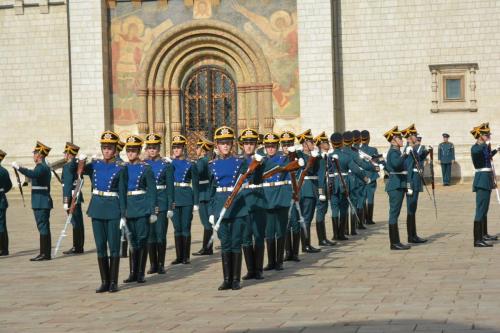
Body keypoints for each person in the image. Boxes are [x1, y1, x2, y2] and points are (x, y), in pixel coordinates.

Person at [209, 126, 257, 290]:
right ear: (217, 145)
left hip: (237, 205)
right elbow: (210, 190)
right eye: (222, 143)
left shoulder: (240, 162)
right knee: (225, 242)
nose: (225, 146)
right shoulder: (212, 164)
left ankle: (236, 279)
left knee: (236, 242)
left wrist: (255, 167)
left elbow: (251, 177)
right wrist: (211, 212)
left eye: (228, 143)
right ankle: (226, 279)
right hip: (220, 206)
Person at [80, 130, 127, 292]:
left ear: (115, 149)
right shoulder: (95, 165)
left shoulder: (121, 168)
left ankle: (113, 282)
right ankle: (104, 281)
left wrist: (123, 214)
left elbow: (122, 192)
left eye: (109, 148)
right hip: (97, 207)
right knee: (100, 245)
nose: (106, 151)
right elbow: (76, 171)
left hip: (113, 207)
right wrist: (79, 160)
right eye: (104, 148)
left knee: (113, 246)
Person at [122, 135, 157, 284]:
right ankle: (132, 273)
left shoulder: (145, 168)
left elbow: (152, 190)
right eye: (128, 150)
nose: (130, 153)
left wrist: (152, 210)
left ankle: (141, 273)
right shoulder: (122, 167)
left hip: (142, 206)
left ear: (138, 151)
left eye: (133, 150)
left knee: (142, 240)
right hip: (128, 207)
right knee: (131, 240)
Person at [12, 142, 54, 261]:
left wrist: (19, 168)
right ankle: (45, 253)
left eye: (35, 153)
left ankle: (44, 254)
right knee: (43, 227)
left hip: (41, 201)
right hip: (41, 200)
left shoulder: (41, 167)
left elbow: (33, 174)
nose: (33, 156)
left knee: (43, 227)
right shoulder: (42, 167)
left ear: (40, 155)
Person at [261, 132, 292, 273]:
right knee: (269, 232)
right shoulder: (261, 161)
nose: (271, 149)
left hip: (280, 198)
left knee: (280, 231)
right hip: (267, 199)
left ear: (277, 146)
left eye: (273, 146)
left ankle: (279, 261)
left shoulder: (284, 159)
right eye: (268, 146)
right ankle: (271, 261)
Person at [327, 133, 368, 241]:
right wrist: (364, 177)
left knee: (334, 209)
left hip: (332, 183)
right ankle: (341, 233)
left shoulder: (328, 156)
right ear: (341, 143)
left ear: (332, 143)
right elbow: (356, 170)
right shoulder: (346, 156)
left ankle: (335, 234)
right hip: (344, 183)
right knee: (344, 208)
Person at [238, 128, 267, 278]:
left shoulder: (262, 160)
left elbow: (257, 179)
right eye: (246, 143)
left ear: (256, 145)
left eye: (251, 143)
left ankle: (259, 270)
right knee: (246, 236)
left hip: (258, 200)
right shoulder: (238, 161)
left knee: (259, 235)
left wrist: (259, 164)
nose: (249, 146)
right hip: (244, 202)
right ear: (242, 145)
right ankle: (250, 270)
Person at [144, 133, 174, 275]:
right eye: (149, 147)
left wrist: (170, 206)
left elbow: (170, 187)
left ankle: (161, 264)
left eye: (154, 147)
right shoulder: (143, 165)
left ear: (159, 148)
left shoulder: (165, 165)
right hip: (149, 203)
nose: (152, 150)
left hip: (162, 202)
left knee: (160, 235)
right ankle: (153, 264)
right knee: (150, 236)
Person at [292, 129, 323, 253]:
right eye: (311, 143)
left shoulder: (314, 156)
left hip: (309, 189)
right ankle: (304, 245)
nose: (313, 145)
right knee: (304, 218)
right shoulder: (300, 155)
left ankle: (306, 244)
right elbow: (307, 169)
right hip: (305, 189)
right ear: (305, 144)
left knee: (307, 218)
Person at [170, 135, 199, 265]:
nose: (176, 150)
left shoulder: (190, 164)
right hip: (174, 196)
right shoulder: (169, 164)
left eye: (179, 147)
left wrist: (196, 202)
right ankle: (179, 256)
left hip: (187, 197)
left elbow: (196, 184)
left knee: (186, 227)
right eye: (174, 147)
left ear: (183, 148)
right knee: (177, 227)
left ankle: (186, 256)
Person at [470, 123, 499, 247]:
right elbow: (477, 154)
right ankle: (477, 240)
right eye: (486, 135)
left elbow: (486, 158)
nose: (489, 137)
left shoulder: (484, 147)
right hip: (481, 180)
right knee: (480, 209)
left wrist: (495, 150)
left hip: (486, 180)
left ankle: (483, 234)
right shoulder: (476, 147)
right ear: (480, 136)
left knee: (485, 208)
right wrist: (484, 145)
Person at [383, 126, 411, 250]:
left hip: (399, 184)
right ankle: (394, 243)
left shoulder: (396, 151)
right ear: (394, 140)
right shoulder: (394, 152)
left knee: (396, 212)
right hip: (395, 185)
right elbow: (396, 164)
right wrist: (405, 155)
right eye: (400, 138)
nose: (402, 140)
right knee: (394, 213)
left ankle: (396, 242)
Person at [401, 124, 428, 244]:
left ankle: (413, 234)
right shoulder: (408, 149)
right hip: (411, 182)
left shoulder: (412, 149)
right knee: (411, 208)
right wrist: (408, 185)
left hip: (415, 180)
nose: (416, 137)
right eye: (414, 136)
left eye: (416, 135)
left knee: (413, 208)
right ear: (409, 137)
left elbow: (417, 161)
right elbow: (407, 168)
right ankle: (411, 236)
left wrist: (425, 154)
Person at [280, 131, 301, 262]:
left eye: (289, 144)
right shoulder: (279, 159)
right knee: (285, 223)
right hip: (283, 194)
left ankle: (296, 252)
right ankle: (288, 251)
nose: (287, 147)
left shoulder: (298, 158)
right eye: (284, 144)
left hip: (295, 193)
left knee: (295, 222)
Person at [61, 142, 85, 255]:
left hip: (72, 197)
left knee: (75, 223)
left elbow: (68, 185)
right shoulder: (75, 164)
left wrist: (66, 200)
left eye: (66, 153)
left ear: (69, 154)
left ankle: (77, 247)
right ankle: (79, 246)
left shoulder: (69, 166)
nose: (64, 155)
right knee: (78, 222)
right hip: (76, 196)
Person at [193, 137, 215, 256]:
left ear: (202, 149)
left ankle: (206, 248)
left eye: (197, 147)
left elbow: (198, 171)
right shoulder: (207, 160)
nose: (196, 149)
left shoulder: (202, 161)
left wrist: (191, 166)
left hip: (203, 193)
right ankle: (208, 247)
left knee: (206, 223)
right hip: (206, 192)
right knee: (208, 223)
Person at [314, 131, 336, 246]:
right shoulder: (318, 158)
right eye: (326, 142)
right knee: (321, 211)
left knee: (324, 210)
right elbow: (320, 176)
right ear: (320, 144)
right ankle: (321, 239)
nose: (328, 144)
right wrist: (321, 191)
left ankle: (324, 238)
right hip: (321, 189)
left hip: (327, 187)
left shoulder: (327, 156)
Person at [359, 130, 380, 225]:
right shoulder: (373, 150)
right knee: (370, 198)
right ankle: (369, 219)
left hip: (362, 177)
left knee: (362, 198)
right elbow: (377, 164)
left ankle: (362, 218)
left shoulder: (357, 150)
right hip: (371, 176)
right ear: (369, 138)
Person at [0, 150, 12, 256]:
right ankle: (4, 249)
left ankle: (2, 249)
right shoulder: (4, 171)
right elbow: (9, 185)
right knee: (2, 224)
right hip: (2, 199)